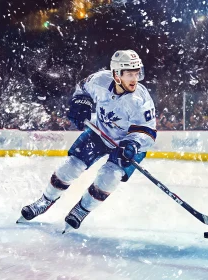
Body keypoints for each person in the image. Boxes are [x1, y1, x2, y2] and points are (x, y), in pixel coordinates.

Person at [18, 50, 157, 232]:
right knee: (69, 167)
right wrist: (80, 102)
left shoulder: (141, 99)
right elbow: (82, 89)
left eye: (137, 73)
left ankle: (81, 210)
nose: (135, 79)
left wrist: (132, 144)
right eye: (130, 74)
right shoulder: (99, 80)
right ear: (116, 74)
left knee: (110, 176)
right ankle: (44, 201)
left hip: (128, 145)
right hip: (98, 133)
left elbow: (148, 131)